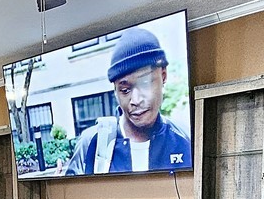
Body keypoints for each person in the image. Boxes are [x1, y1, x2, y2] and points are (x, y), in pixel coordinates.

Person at [64, 27, 191, 176]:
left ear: (163, 76)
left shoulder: (185, 138)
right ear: (115, 91)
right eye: (125, 90)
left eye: (145, 84)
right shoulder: (91, 142)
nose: (136, 100)